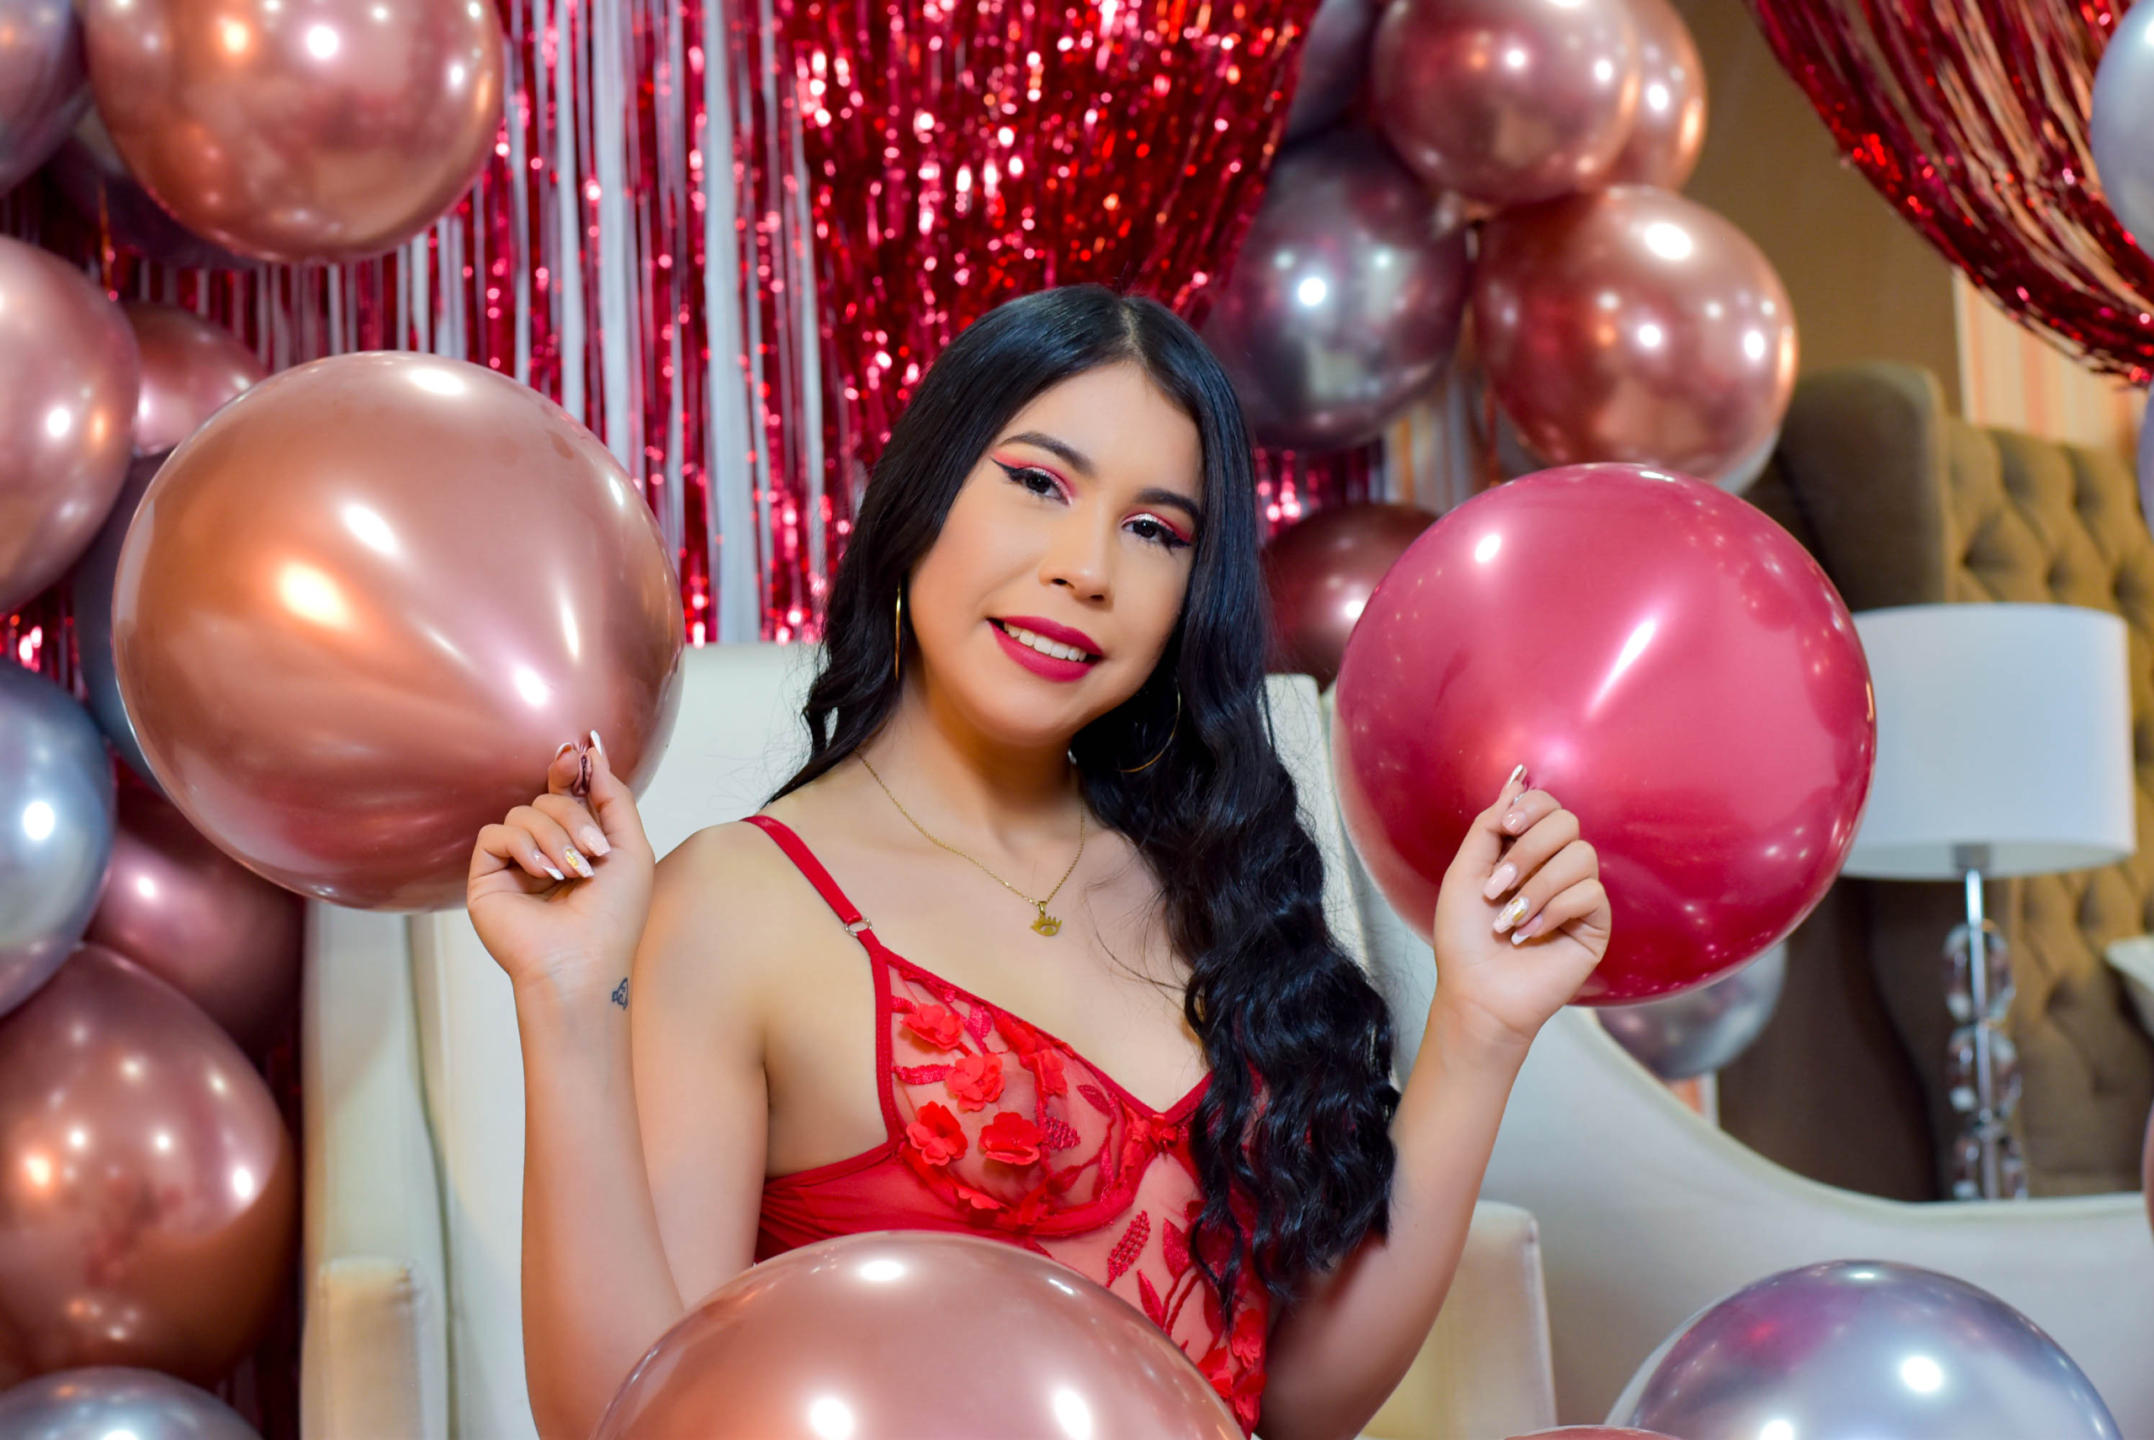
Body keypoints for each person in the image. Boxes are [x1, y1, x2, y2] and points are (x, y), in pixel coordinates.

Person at [467, 284, 1611, 1440]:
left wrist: (1480, 1027)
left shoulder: (1217, 885)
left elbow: (1291, 1406)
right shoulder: (736, 902)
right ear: (924, 495)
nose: (1087, 568)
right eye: (1039, 483)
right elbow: (628, 1415)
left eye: (1155, 531)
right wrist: (567, 1003)